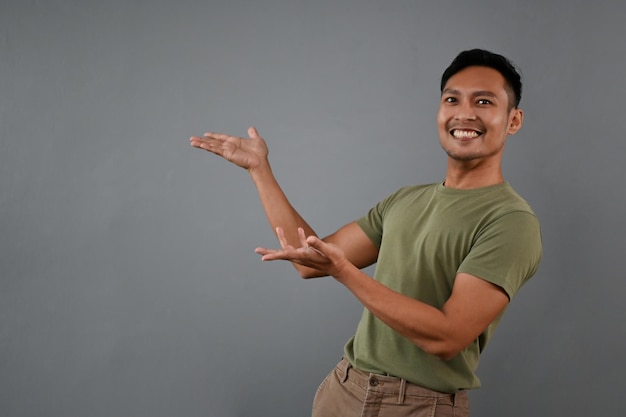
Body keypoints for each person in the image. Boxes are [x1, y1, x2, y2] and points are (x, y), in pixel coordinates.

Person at [190, 49, 542, 417]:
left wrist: (346, 273)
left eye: (484, 101)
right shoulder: (405, 200)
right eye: (452, 99)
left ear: (513, 120)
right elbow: (311, 261)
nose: (464, 113)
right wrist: (260, 170)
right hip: (345, 389)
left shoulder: (511, 221)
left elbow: (447, 336)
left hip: (418, 406)